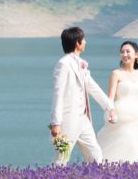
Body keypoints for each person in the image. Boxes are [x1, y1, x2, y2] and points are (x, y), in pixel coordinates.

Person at [49, 26, 116, 166]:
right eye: (83, 39)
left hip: (83, 118)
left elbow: (93, 87)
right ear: (77, 43)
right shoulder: (63, 64)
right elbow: (58, 93)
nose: (86, 42)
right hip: (68, 119)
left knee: (95, 154)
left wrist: (110, 107)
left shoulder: (81, 64)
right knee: (62, 157)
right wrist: (56, 123)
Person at [97, 40, 138, 165]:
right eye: (122, 52)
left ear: (137, 55)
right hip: (122, 114)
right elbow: (110, 98)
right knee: (128, 142)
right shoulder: (116, 73)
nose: (125, 54)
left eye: (128, 51)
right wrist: (110, 112)